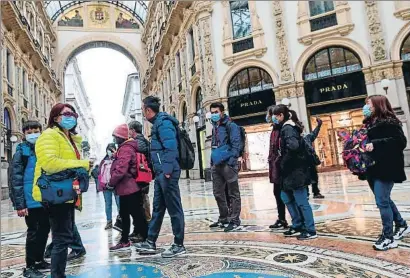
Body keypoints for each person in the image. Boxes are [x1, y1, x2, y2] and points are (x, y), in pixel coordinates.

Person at [33, 103, 91, 277]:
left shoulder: (70, 138)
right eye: (66, 114)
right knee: (61, 240)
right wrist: (82, 164)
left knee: (63, 237)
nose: (71, 117)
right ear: (56, 117)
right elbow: (50, 163)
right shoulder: (49, 135)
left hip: (65, 193)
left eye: (73, 114)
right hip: (54, 193)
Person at [135, 96, 186, 258]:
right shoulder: (158, 123)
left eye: (144, 110)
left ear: (148, 110)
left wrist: (167, 171)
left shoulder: (163, 123)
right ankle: (151, 240)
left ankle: (179, 244)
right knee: (158, 208)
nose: (143, 114)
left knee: (174, 209)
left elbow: (171, 148)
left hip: (167, 173)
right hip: (161, 174)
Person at [363, 95, 410, 250]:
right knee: (384, 199)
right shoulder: (371, 123)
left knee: (382, 201)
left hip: (387, 167)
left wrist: (375, 144)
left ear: (378, 105)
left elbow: (400, 142)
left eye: (369, 104)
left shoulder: (391, 122)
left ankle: (388, 237)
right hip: (373, 167)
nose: (366, 107)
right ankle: (402, 224)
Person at [10, 121, 50, 278]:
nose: (33, 133)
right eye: (29, 131)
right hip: (29, 200)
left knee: (45, 230)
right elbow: (15, 178)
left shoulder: (44, 149)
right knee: (33, 232)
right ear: (24, 134)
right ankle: (30, 266)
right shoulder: (21, 151)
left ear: (41, 131)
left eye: (36, 130)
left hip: (44, 198)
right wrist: (20, 204)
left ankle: (39, 260)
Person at [272, 104, 317, 240]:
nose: (274, 118)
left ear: (280, 115)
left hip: (296, 171)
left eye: (275, 116)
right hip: (289, 172)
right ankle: (297, 224)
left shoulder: (288, 128)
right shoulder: (286, 128)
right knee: (285, 197)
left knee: (301, 200)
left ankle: (310, 230)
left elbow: (293, 146)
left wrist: (283, 160)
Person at [109, 124, 148, 251]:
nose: (114, 140)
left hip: (128, 188)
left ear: (121, 137)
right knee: (126, 214)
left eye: (115, 137)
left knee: (136, 214)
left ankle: (147, 238)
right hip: (127, 188)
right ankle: (125, 240)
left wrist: (111, 182)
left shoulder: (126, 148)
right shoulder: (125, 148)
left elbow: (121, 169)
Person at [208, 102, 242, 232]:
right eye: (212, 112)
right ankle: (223, 217)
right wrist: (212, 162)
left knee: (233, 192)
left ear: (222, 112)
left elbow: (236, 145)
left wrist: (231, 161)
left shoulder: (231, 125)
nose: (214, 114)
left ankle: (234, 219)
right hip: (216, 164)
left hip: (227, 164)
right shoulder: (215, 126)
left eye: (216, 112)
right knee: (218, 192)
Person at [128, 120, 153, 241]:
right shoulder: (142, 142)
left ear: (132, 130)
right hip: (141, 178)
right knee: (138, 205)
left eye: (129, 130)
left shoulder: (139, 143)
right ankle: (137, 230)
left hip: (141, 179)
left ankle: (143, 233)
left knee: (141, 205)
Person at [266, 106, 288, 230]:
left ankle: (297, 221)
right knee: (277, 193)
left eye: (271, 115)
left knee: (287, 194)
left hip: (282, 167)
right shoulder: (275, 129)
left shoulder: (283, 129)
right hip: (276, 167)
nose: (269, 118)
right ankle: (281, 218)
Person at [98, 143, 121, 231]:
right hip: (106, 187)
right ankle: (109, 222)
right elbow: (100, 174)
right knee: (108, 204)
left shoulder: (118, 159)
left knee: (119, 204)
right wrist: (102, 184)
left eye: (112, 150)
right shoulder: (103, 161)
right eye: (109, 150)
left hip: (116, 185)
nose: (110, 152)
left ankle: (120, 221)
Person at [303, 117, 325, 199]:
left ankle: (316, 192)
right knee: (305, 178)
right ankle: (306, 194)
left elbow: (314, 134)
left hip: (311, 161)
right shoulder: (297, 138)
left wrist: (318, 125)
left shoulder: (307, 137)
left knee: (314, 177)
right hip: (302, 162)